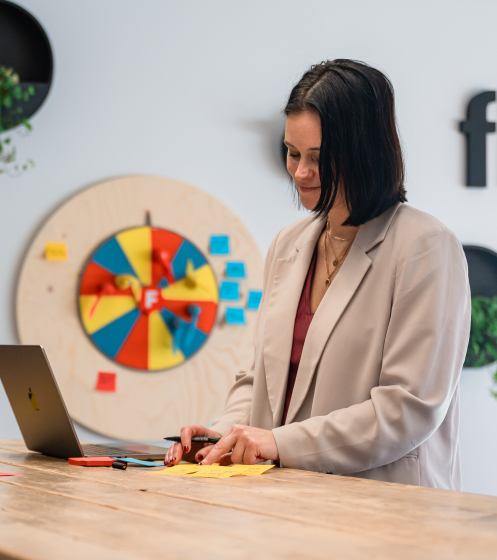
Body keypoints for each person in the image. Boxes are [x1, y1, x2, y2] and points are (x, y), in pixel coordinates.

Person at [165, 59, 470, 490]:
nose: (300, 173)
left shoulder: (426, 247)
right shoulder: (288, 244)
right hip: (290, 506)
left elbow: (407, 409)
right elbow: (260, 378)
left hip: (390, 515)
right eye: (292, 153)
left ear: (365, 153)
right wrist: (226, 432)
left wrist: (277, 442)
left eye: (319, 158)